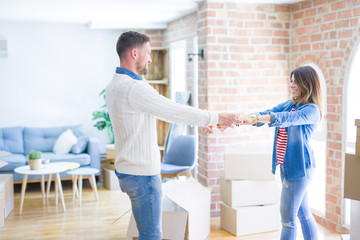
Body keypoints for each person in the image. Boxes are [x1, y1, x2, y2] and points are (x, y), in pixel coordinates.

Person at [106, 31, 241, 240]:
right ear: (134, 53)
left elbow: (160, 113)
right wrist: (216, 117)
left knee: (147, 231)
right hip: (142, 175)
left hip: (128, 171)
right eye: (148, 52)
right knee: (151, 234)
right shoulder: (134, 88)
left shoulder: (114, 85)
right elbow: (172, 109)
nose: (150, 58)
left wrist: (202, 122)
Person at [239, 66, 322, 240]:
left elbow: (285, 119)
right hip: (288, 167)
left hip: (299, 169)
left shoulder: (311, 110)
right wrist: (241, 119)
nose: (291, 85)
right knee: (303, 214)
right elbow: (269, 113)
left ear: (306, 84)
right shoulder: (290, 104)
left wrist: (256, 119)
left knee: (287, 221)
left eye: (295, 82)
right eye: (291, 81)